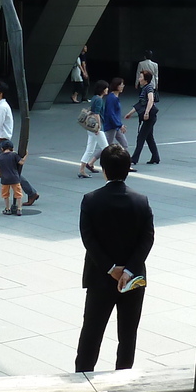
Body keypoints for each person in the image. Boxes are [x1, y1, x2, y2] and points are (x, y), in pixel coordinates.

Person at [74, 144, 154, 373]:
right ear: (128, 169)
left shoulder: (91, 200)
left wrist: (111, 268)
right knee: (128, 334)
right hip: (133, 278)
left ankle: (83, 374)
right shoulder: (141, 201)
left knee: (92, 331)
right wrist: (128, 270)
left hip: (100, 278)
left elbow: (88, 239)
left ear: (104, 169)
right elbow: (147, 239)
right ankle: (123, 375)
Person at [127, 68, 160, 167]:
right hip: (150, 116)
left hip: (149, 117)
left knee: (141, 137)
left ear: (145, 79)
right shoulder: (144, 88)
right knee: (149, 137)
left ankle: (134, 159)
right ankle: (155, 157)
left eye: (141, 77)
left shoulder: (148, 88)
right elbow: (140, 103)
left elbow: (151, 100)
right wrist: (130, 113)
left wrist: (146, 113)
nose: (139, 78)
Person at [78, 79, 108, 177]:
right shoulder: (99, 99)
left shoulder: (94, 98)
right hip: (96, 128)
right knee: (106, 149)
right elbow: (97, 113)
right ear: (102, 90)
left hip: (90, 127)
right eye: (106, 88)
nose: (107, 89)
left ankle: (82, 170)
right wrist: (99, 126)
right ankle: (108, 169)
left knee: (90, 149)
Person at [0, 140, 26, 215]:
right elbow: (21, 162)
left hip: (5, 179)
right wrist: (26, 155)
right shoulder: (14, 155)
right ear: (12, 148)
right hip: (15, 178)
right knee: (18, 194)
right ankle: (19, 209)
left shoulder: (0, 156)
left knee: (5, 195)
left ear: (2, 148)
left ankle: (7, 208)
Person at [101, 77, 127, 148]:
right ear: (117, 86)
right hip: (111, 126)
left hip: (115, 126)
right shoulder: (112, 98)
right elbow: (111, 114)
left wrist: (119, 125)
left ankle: (123, 159)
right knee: (106, 147)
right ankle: (93, 159)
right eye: (121, 85)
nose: (123, 86)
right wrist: (119, 125)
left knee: (124, 144)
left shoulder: (113, 97)